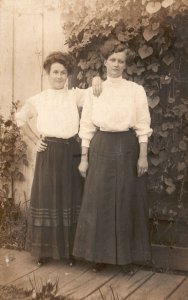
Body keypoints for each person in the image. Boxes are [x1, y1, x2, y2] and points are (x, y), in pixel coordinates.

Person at [73, 39, 153, 274]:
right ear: (105, 62)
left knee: (126, 200)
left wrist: (143, 156)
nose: (117, 65)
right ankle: (100, 257)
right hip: (101, 145)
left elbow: (142, 124)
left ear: (125, 64)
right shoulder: (94, 90)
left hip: (127, 147)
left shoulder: (135, 90)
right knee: (100, 201)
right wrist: (84, 158)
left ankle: (126, 259)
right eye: (113, 60)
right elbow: (86, 124)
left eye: (121, 61)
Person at [15, 51, 101, 266]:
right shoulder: (39, 99)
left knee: (70, 199)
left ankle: (70, 252)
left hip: (70, 151)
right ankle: (44, 252)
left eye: (63, 73)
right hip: (49, 152)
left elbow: (95, 92)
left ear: (68, 75)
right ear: (48, 73)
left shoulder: (74, 95)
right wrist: (35, 141)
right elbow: (20, 118)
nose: (59, 76)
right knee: (47, 198)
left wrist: (98, 78)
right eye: (55, 72)